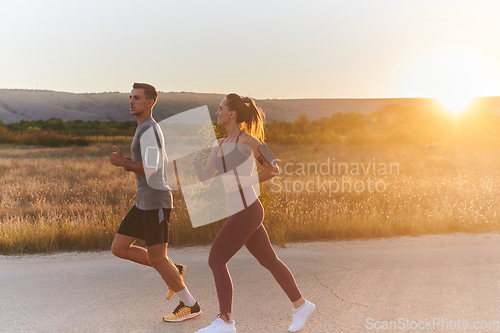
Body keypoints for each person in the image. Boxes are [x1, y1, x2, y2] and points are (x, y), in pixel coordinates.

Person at [191, 94, 315, 333]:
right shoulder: (219, 144)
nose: (217, 113)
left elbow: (274, 168)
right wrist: (197, 163)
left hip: (248, 209)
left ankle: (225, 321)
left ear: (232, 114)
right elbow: (206, 180)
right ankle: (301, 305)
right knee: (269, 260)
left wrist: (244, 182)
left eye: (220, 109)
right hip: (239, 210)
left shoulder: (250, 142)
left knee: (216, 260)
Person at [110, 82, 201, 322]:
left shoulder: (149, 129)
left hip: (156, 202)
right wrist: (129, 161)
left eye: (137, 98)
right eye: (130, 97)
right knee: (119, 248)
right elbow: (150, 164)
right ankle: (175, 270)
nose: (131, 101)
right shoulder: (143, 128)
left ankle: (190, 305)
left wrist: (123, 164)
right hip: (144, 202)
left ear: (149, 102)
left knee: (157, 257)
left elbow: (152, 168)